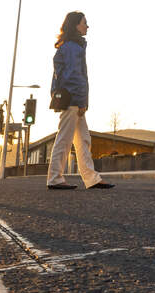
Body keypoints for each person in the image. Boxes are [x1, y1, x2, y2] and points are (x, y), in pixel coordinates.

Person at [46, 11, 111, 191]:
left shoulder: (68, 46)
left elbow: (58, 76)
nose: (87, 26)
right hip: (73, 99)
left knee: (83, 140)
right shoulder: (73, 47)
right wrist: (81, 101)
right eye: (84, 23)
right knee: (65, 139)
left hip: (70, 97)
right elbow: (75, 76)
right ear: (76, 25)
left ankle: (91, 178)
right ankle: (54, 178)